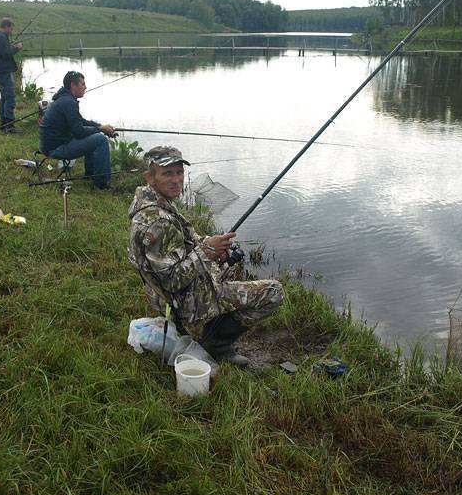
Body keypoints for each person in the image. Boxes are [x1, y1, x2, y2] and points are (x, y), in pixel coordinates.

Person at [128, 146, 285, 367]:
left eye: (179, 172)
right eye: (167, 173)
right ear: (150, 177)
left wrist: (211, 245)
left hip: (166, 294)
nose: (176, 180)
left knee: (228, 265)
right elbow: (172, 280)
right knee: (273, 292)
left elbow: (184, 246)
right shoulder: (159, 221)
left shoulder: (152, 203)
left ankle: (213, 324)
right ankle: (216, 344)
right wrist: (207, 251)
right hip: (181, 301)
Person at [39, 71, 116, 189]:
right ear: (73, 86)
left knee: (93, 136)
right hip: (56, 148)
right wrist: (100, 130)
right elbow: (79, 132)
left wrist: (100, 126)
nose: (85, 87)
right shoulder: (68, 102)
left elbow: (81, 122)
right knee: (100, 140)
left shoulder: (65, 99)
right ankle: (102, 183)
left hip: (53, 144)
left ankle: (90, 175)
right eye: (83, 84)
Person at [0, 18, 22, 132]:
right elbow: (6, 54)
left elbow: (3, 51)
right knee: (9, 97)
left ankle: (4, 123)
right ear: (6, 27)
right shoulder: (1, 37)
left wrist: (10, 46)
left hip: (1, 70)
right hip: (4, 71)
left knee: (4, 97)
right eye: (11, 27)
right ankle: (9, 125)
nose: (12, 30)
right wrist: (16, 48)